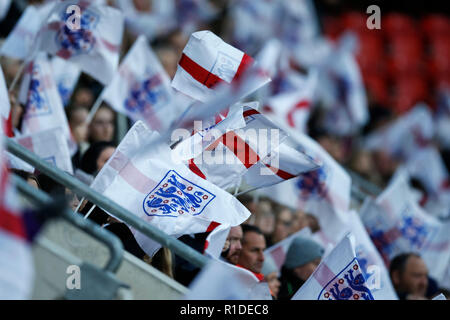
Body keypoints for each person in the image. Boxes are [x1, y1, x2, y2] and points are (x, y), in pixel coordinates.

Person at [278, 236, 324, 300]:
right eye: (316, 263)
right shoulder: (286, 293)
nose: (319, 268)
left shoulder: (309, 286)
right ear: (298, 266)